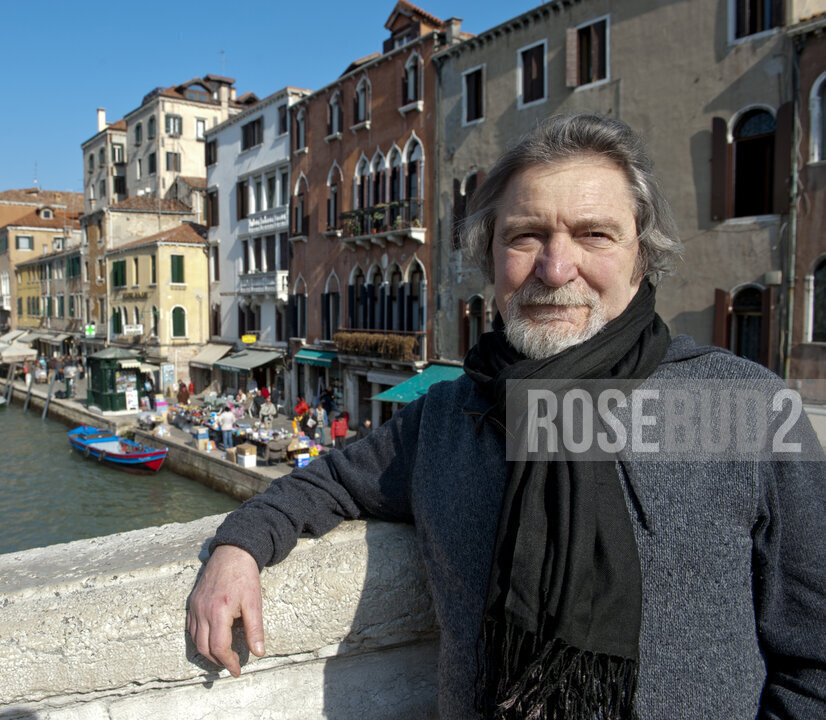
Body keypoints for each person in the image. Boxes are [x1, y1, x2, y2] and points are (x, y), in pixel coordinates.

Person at [186, 115, 826, 719]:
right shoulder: (449, 415)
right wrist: (238, 547)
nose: (554, 268)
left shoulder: (744, 406)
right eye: (525, 236)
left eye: (594, 234)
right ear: (490, 257)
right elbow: (329, 482)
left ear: (642, 255)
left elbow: (815, 653)